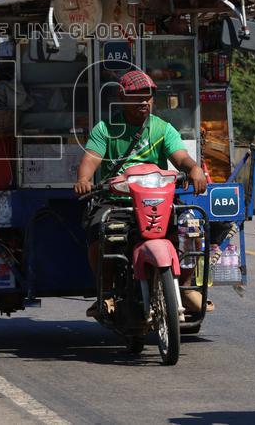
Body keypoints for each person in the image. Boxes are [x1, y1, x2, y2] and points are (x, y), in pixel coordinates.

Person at [74, 69, 208, 317]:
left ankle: (186, 285)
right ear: (122, 98)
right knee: (99, 231)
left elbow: (181, 158)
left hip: (158, 201)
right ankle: (106, 293)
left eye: (148, 97)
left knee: (192, 226)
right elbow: (91, 159)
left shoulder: (162, 129)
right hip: (118, 202)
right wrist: (84, 179)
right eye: (137, 98)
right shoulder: (106, 129)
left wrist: (194, 169)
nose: (144, 103)